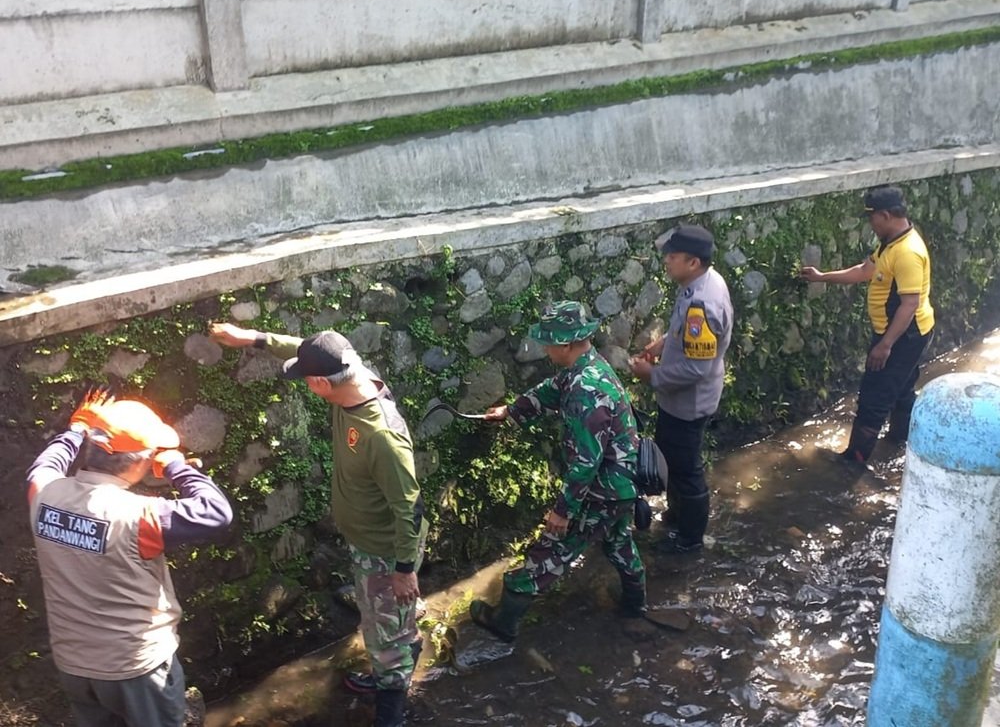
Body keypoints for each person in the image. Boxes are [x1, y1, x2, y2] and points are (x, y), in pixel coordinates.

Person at [209, 323, 427, 727]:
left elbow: (409, 507)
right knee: (383, 620)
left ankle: (391, 706)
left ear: (320, 385)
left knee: (388, 636)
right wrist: (252, 338)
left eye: (306, 379)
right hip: (367, 540)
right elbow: (308, 349)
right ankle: (391, 663)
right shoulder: (352, 373)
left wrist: (403, 570)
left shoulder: (380, 435)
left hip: (386, 550)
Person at [26, 390, 233, 727]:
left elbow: (46, 463)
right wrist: (176, 466)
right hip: (136, 668)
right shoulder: (139, 516)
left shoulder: (44, 494)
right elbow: (216, 512)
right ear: (140, 461)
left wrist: (77, 427)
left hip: (74, 664)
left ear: (90, 449)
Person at [469, 301, 646, 644]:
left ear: (566, 344)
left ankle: (502, 623)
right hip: (622, 485)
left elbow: (586, 462)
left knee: (548, 552)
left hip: (602, 491)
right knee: (619, 542)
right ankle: (635, 605)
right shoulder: (587, 367)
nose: (545, 349)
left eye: (548, 343)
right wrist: (511, 411)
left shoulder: (585, 391)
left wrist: (562, 512)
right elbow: (550, 390)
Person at [800, 185, 935, 463]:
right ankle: (902, 441)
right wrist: (822, 277)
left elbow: (909, 304)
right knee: (902, 387)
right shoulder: (892, 242)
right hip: (905, 333)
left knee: (874, 398)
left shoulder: (907, 252)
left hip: (902, 336)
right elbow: (864, 271)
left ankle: (853, 462)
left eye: (872, 218)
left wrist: (885, 345)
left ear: (885, 215)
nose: (871, 225)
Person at [628, 224, 733, 554]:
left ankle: (689, 540)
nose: (666, 262)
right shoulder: (701, 283)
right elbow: (688, 340)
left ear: (693, 262)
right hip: (680, 398)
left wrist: (652, 375)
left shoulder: (701, 303)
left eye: (672, 257)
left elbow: (695, 368)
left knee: (686, 470)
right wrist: (662, 345)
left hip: (688, 402)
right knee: (673, 459)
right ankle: (677, 517)